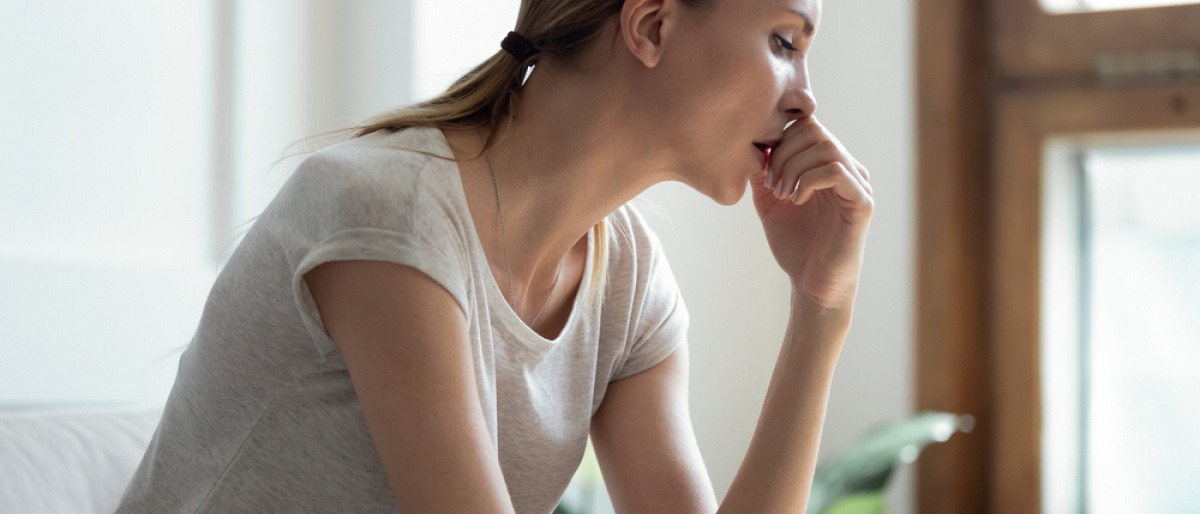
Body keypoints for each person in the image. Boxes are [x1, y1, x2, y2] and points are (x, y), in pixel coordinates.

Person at [116, 0, 873, 512]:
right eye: (784, 42)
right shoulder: (392, 212)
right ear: (650, 25)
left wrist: (820, 305)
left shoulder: (627, 284)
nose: (806, 98)